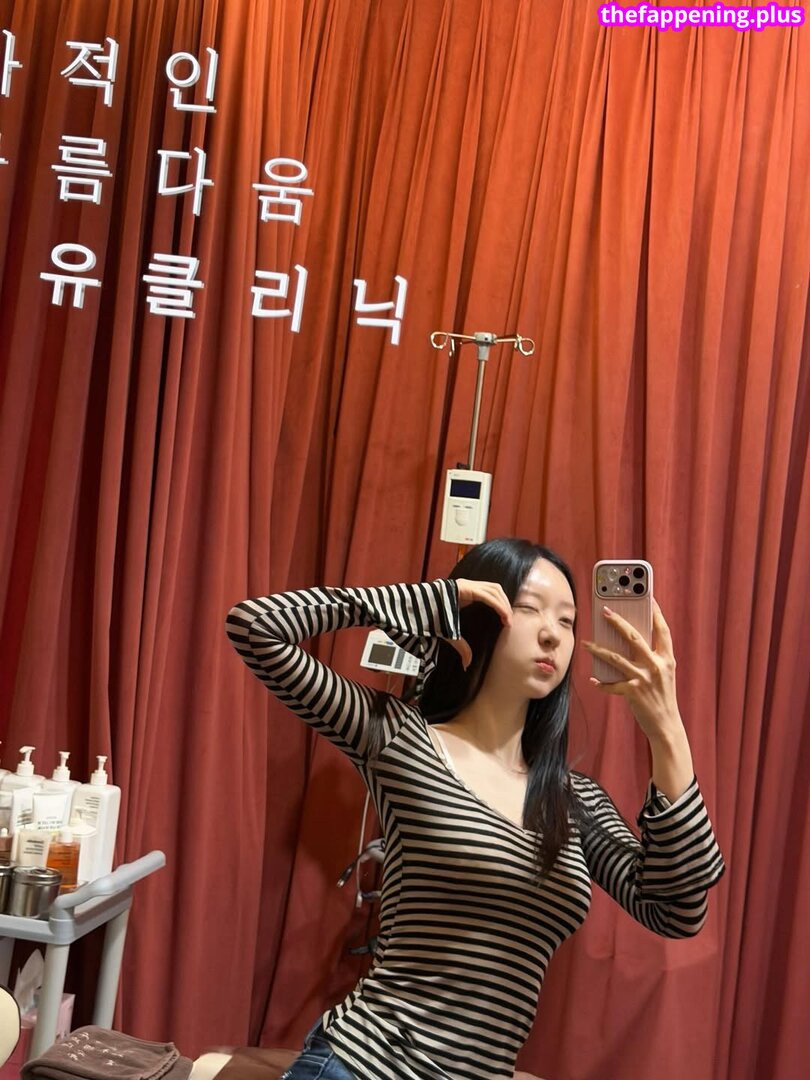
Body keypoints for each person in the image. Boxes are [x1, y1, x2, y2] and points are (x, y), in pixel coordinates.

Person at [226, 538, 725, 1080]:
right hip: (364, 1065)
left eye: (567, 620)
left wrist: (667, 730)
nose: (552, 634)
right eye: (530, 608)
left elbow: (677, 908)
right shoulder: (401, 738)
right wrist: (436, 600)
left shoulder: (571, 801)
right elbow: (255, 627)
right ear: (480, 613)